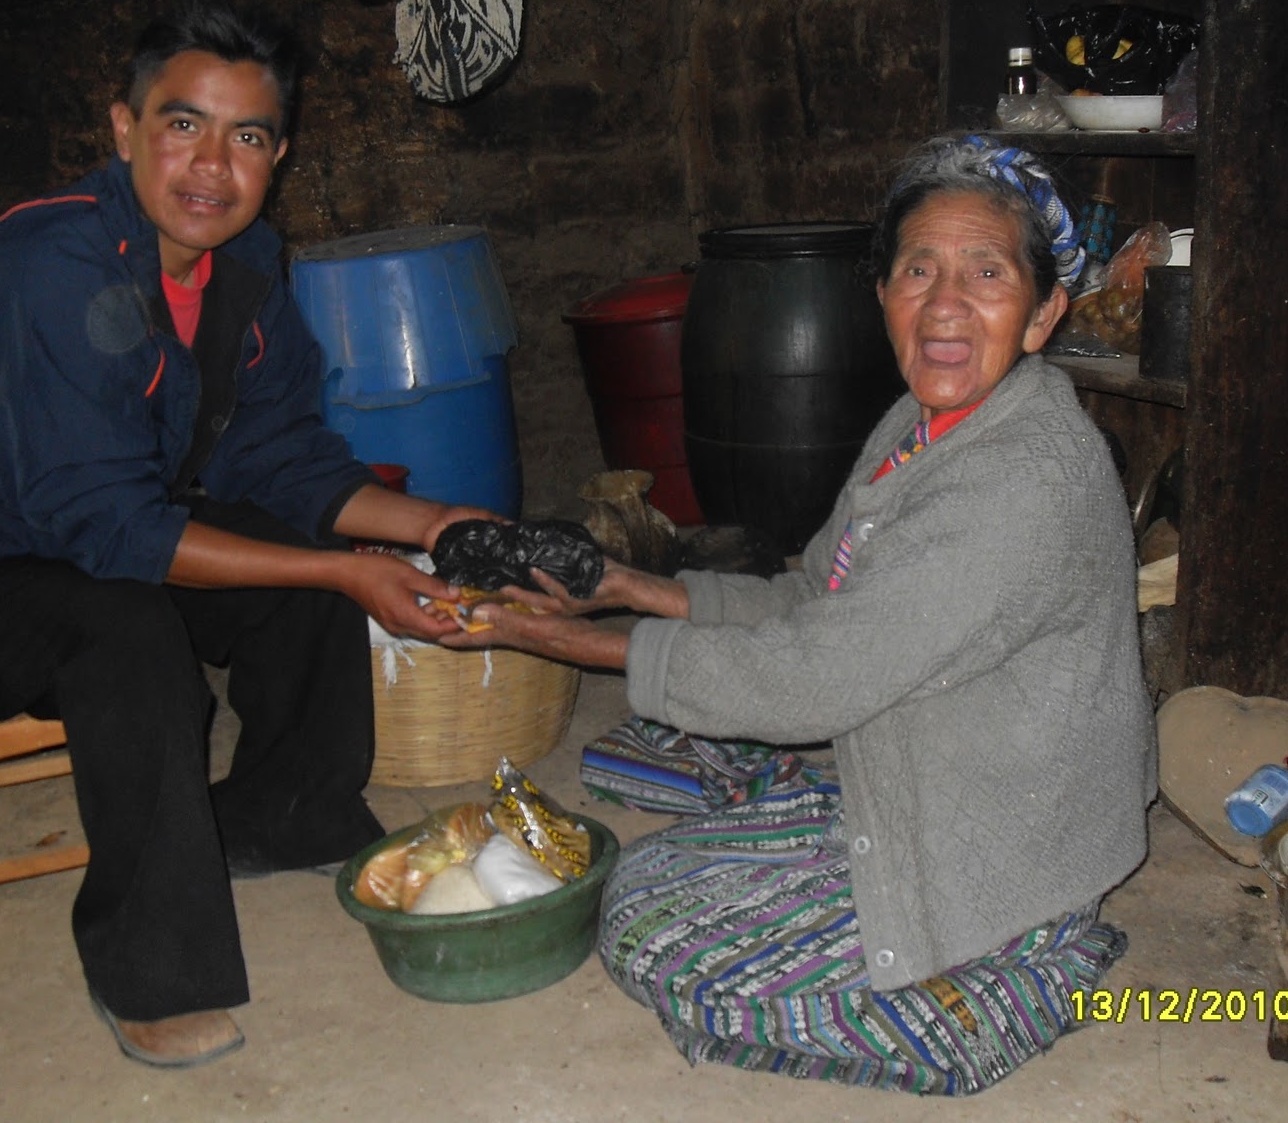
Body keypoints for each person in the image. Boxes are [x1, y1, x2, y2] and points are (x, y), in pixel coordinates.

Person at [442, 135, 1157, 1095]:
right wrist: (629, 589)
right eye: (918, 270)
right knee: (642, 776)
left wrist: (559, 640)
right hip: (924, 767)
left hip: (1007, 840)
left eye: (986, 273)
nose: (946, 304)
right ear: (883, 298)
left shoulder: (1028, 476)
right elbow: (808, 598)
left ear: (1041, 315)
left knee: (642, 923)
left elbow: (812, 678)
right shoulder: (919, 425)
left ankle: (1011, 986)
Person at [0, 0, 483, 1068]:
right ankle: (149, 970)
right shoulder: (49, 267)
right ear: (123, 130)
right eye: (183, 125)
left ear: (279, 157)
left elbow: (283, 457)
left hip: (84, 539)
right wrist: (347, 571)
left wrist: (437, 526)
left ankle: (287, 813)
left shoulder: (246, 273)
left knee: (301, 557)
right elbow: (107, 528)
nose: (211, 165)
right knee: (128, 630)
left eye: (249, 136)